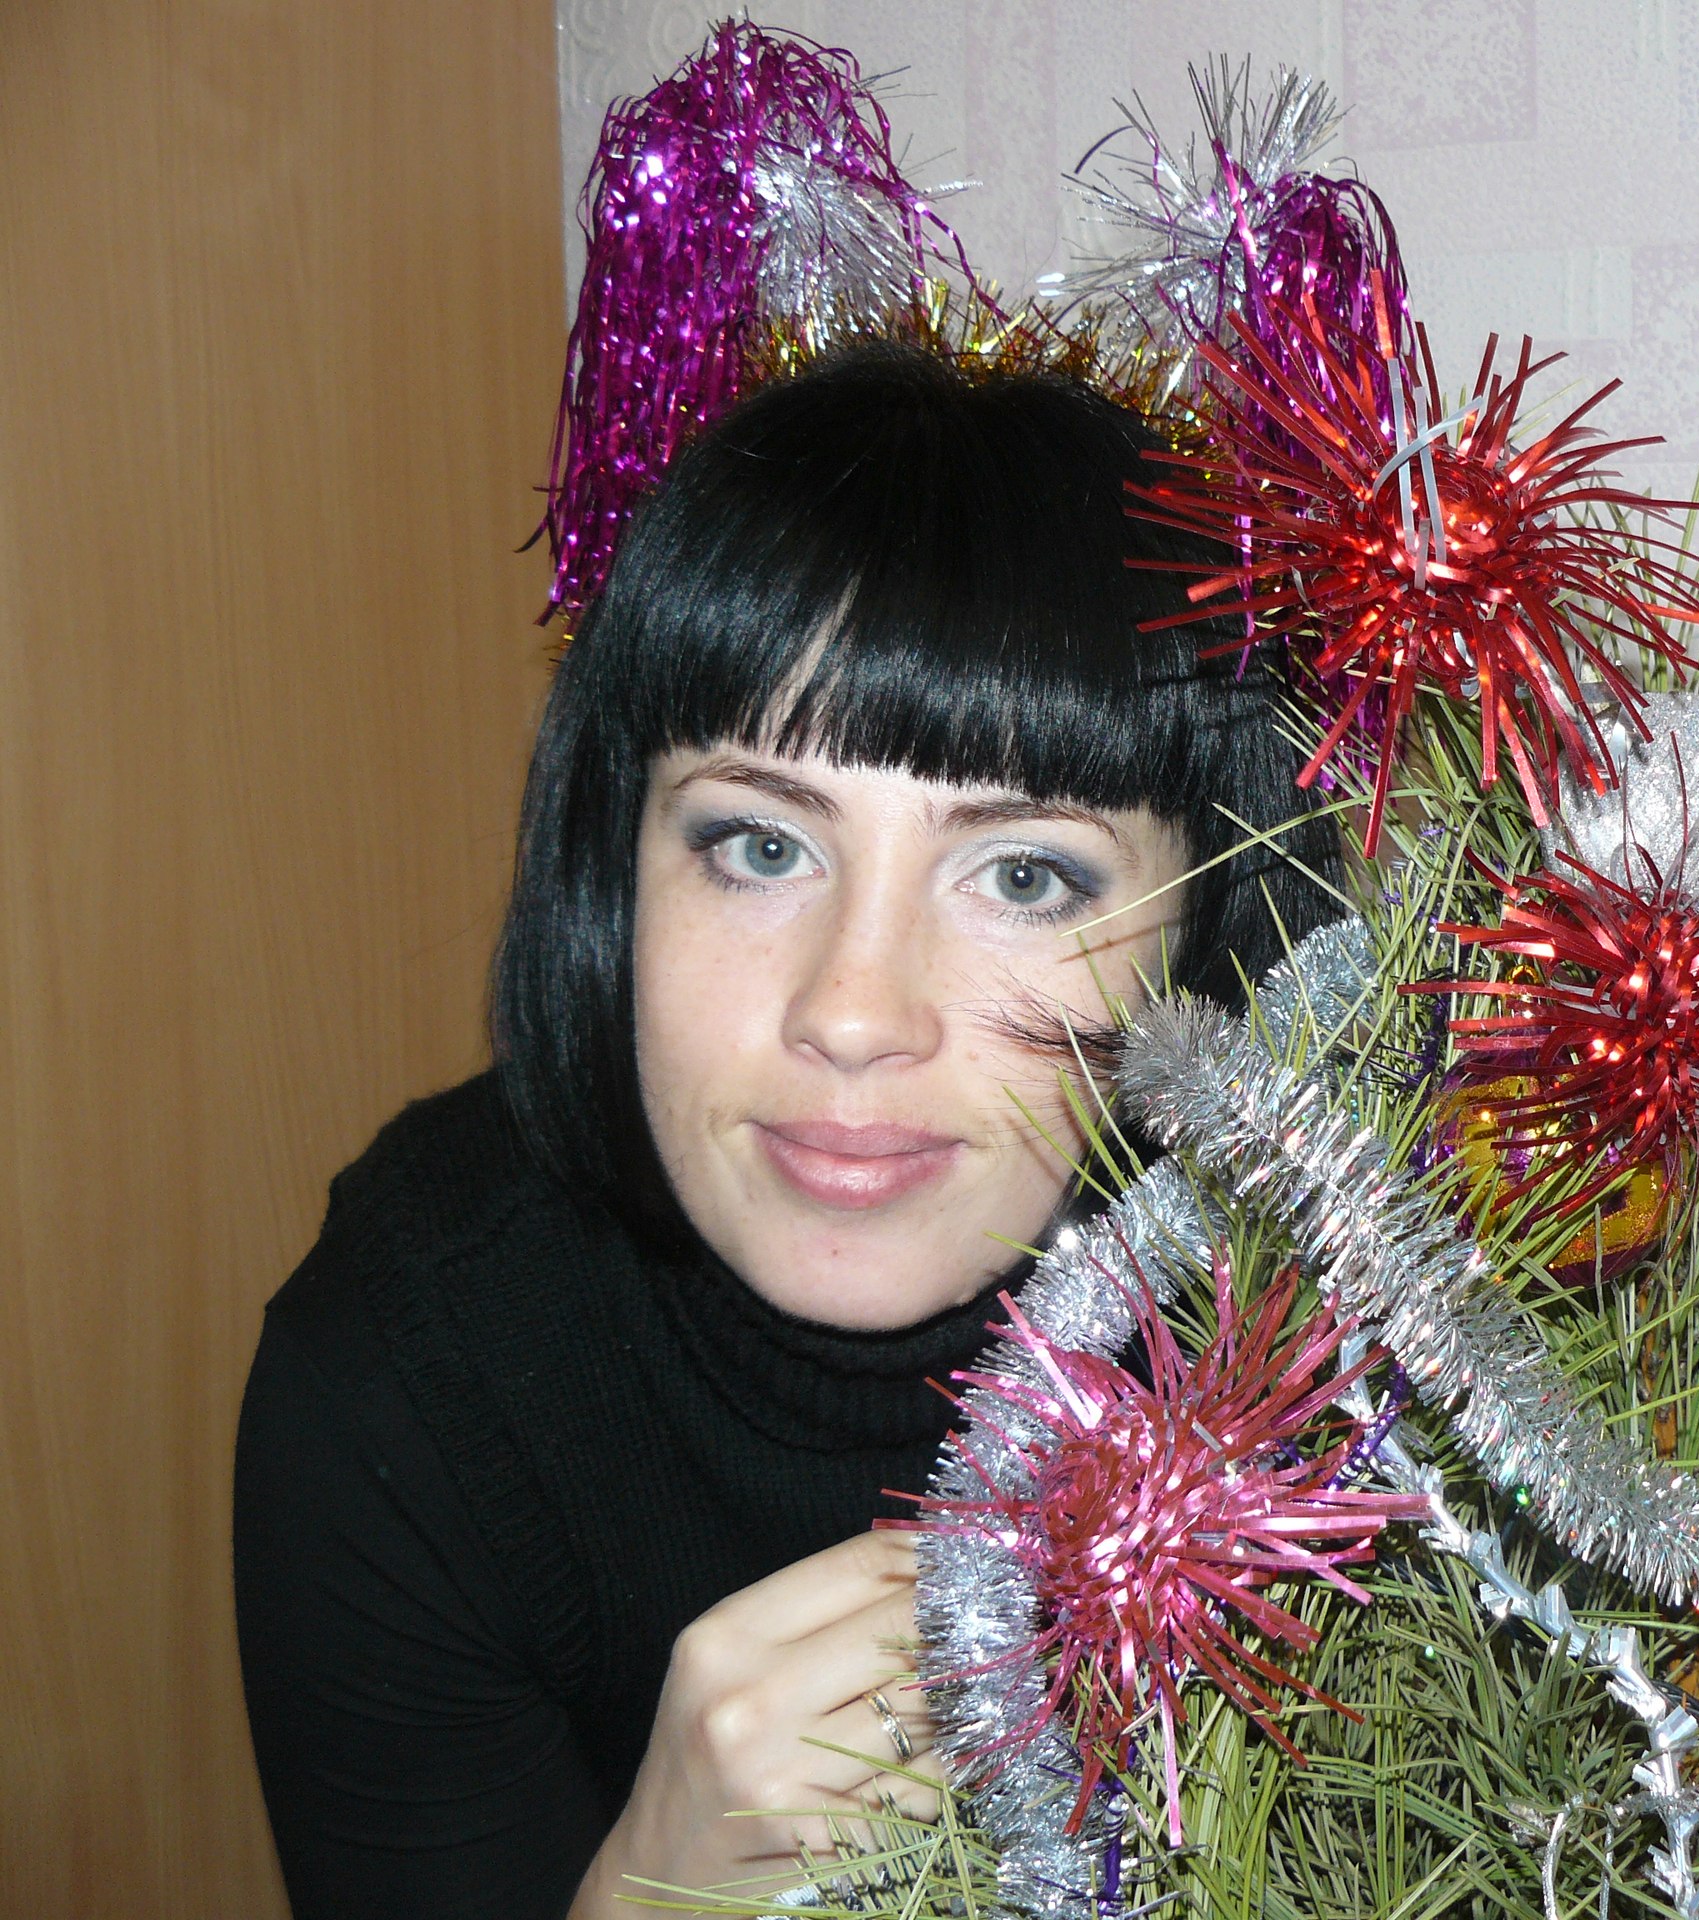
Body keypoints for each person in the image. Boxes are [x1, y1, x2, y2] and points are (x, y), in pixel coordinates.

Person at [232, 344, 1333, 1919]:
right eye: (758, 846)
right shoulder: (418, 1362)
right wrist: (645, 1893)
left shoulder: (1358, 1357)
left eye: (1026, 877)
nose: (855, 1013)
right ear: (616, 866)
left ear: (1203, 934)